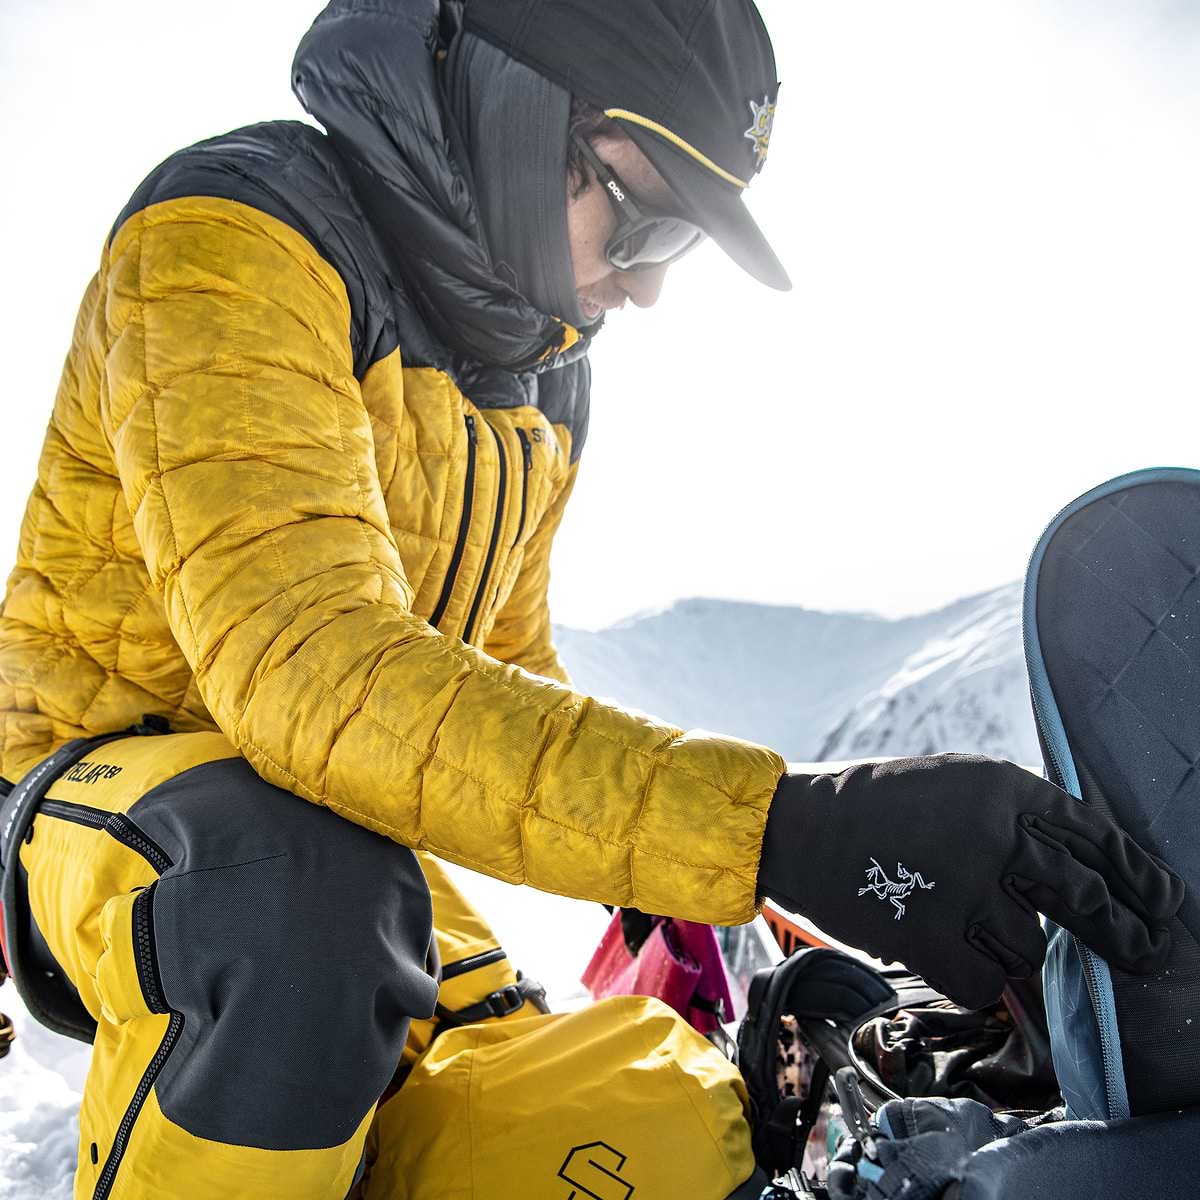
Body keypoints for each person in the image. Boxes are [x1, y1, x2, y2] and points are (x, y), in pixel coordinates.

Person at [0, 0, 1182, 1197]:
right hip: (120, 802)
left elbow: (501, 671)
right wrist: (786, 826)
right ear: (519, 111)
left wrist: (738, 890)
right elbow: (310, 671)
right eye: (651, 222)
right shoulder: (231, 239)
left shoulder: (541, 374)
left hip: (347, 832)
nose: (652, 290)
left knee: (630, 1136)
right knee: (288, 906)